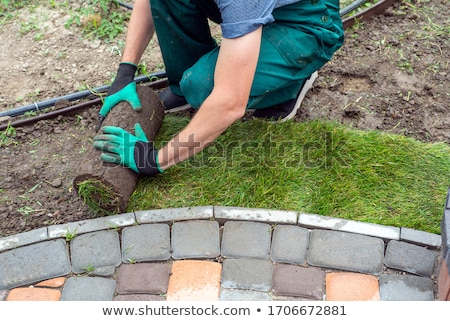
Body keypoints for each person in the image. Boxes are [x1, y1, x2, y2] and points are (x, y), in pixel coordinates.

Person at [93, 0, 344, 176]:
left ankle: (291, 84)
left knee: (203, 86)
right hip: (260, 7)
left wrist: (155, 160)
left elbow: (229, 103)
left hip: (304, 21)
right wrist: (125, 72)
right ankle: (188, 84)